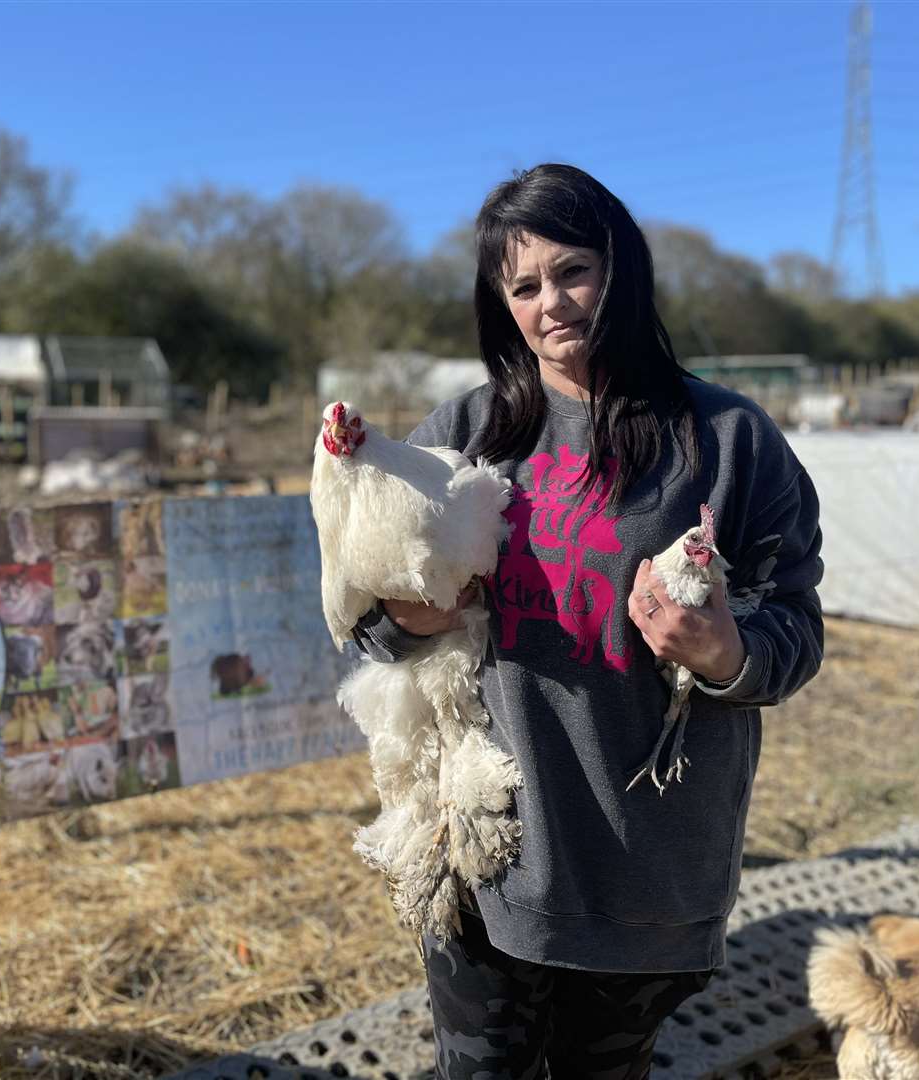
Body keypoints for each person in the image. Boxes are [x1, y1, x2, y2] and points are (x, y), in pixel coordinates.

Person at [349, 164, 824, 1080]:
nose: (550, 302)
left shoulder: (728, 441)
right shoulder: (465, 431)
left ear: (622, 268)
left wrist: (725, 652)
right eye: (523, 286)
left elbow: (795, 626)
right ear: (501, 306)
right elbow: (366, 618)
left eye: (572, 270)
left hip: (639, 862)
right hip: (481, 841)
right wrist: (409, 619)